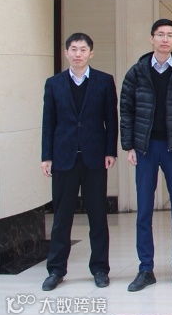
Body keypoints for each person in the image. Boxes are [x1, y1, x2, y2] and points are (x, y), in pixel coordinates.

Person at [120, 19, 172, 292]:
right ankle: (146, 269)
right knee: (144, 210)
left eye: (170, 35)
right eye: (160, 34)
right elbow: (126, 110)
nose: (165, 39)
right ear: (151, 38)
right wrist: (129, 146)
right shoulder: (137, 72)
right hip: (145, 148)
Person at [40, 33, 118, 291]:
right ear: (66, 53)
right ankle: (56, 269)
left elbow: (111, 119)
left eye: (83, 49)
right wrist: (46, 156)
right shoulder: (54, 83)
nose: (78, 54)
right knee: (62, 217)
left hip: (95, 157)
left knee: (98, 215)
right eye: (73, 49)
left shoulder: (104, 81)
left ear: (91, 53)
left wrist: (111, 151)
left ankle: (100, 269)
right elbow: (48, 122)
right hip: (64, 157)